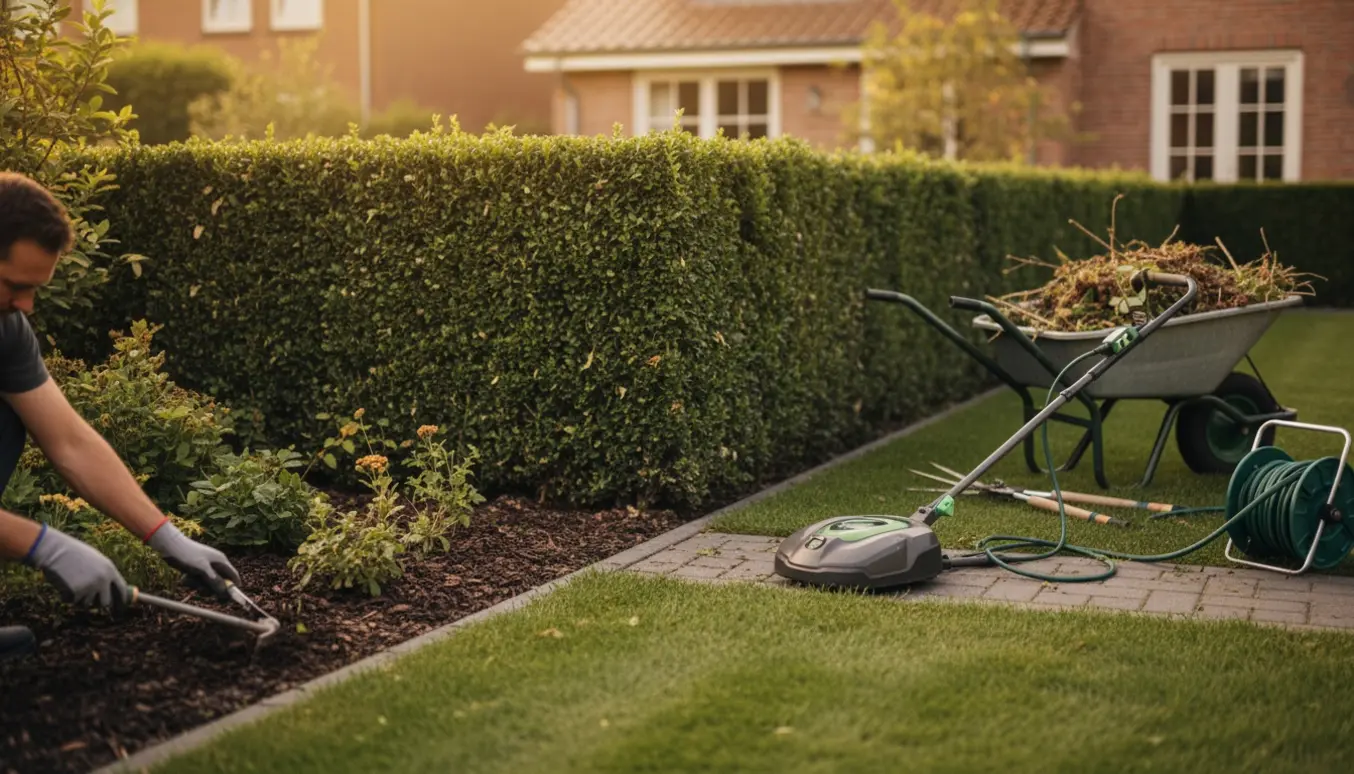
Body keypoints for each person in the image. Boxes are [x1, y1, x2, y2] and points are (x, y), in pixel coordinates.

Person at [0, 171, 241, 662]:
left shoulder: (5, 326)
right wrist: (44, 545)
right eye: (14, 286)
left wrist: (167, 538)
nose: (25, 306)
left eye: (35, 289)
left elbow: (69, 441)